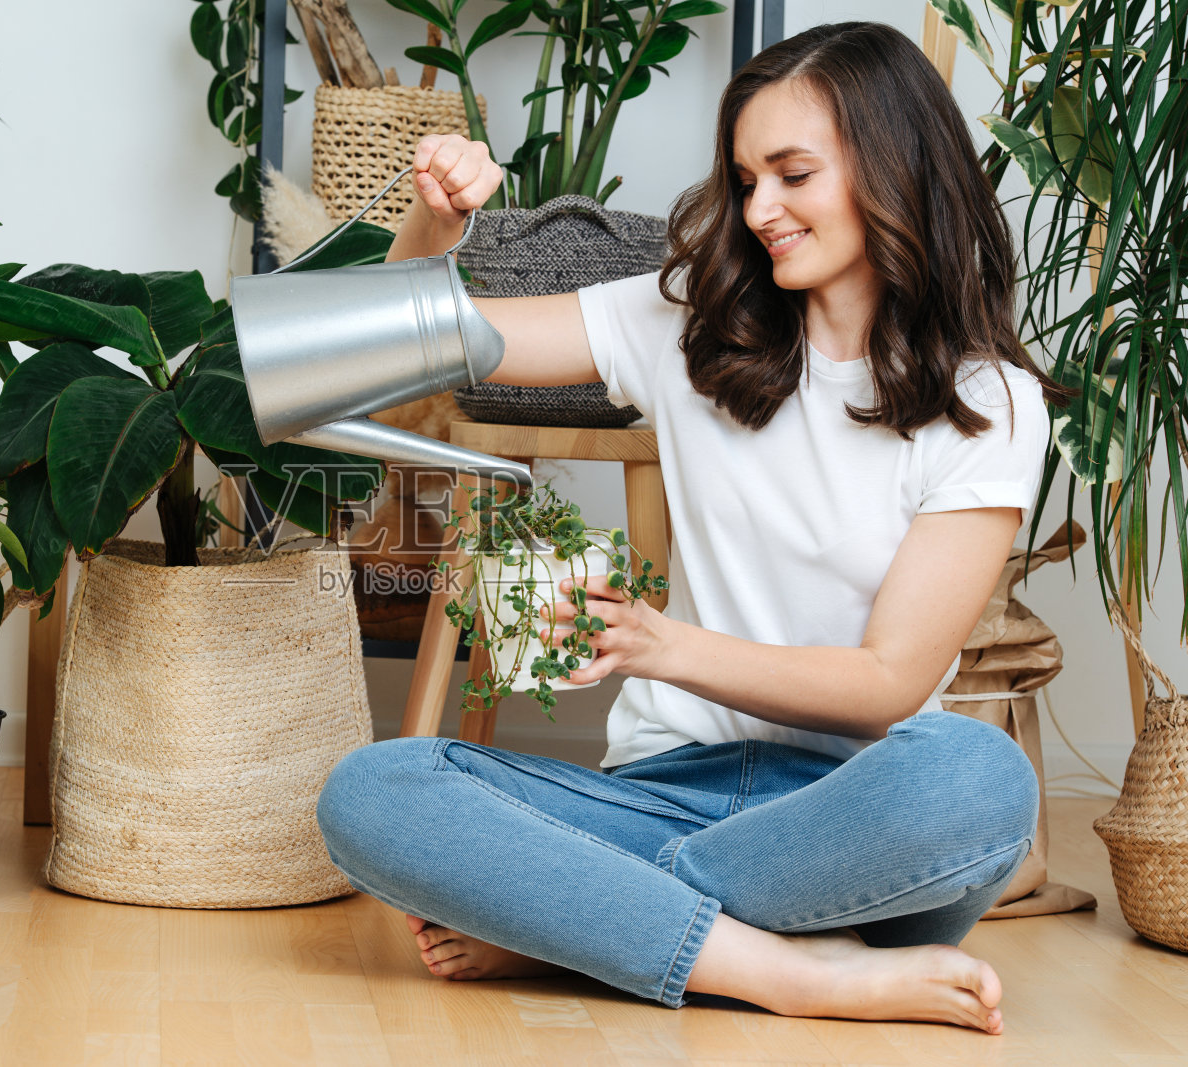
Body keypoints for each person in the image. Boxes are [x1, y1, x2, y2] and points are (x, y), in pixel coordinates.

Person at [314, 21, 1070, 1035]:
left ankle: (581, 918)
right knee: (374, 788)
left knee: (981, 780)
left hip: (851, 823)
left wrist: (662, 644)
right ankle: (791, 971)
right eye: (745, 178)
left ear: (894, 168)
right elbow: (387, 349)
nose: (759, 209)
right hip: (659, 791)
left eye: (792, 173)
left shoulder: (989, 399)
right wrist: (434, 225)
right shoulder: (683, 323)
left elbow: (888, 683)